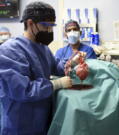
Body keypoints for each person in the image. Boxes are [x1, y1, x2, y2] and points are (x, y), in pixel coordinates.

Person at [0, 1, 74, 135]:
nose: (49, 31)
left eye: (52, 26)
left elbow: (56, 67)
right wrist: (55, 84)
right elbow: (22, 90)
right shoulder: (9, 51)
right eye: (46, 26)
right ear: (30, 23)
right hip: (19, 124)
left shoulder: (43, 48)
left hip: (41, 121)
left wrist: (71, 63)